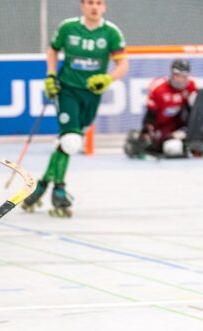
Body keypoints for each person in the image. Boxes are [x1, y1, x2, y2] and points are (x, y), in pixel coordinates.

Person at [23, 0, 128, 217]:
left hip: (92, 94)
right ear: (82, 6)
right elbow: (53, 50)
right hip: (67, 90)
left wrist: (108, 79)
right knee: (70, 140)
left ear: (104, 7)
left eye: (98, 3)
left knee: (68, 142)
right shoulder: (68, 27)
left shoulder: (111, 32)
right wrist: (51, 74)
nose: (94, 7)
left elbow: (123, 64)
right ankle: (59, 191)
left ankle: (41, 186)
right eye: (90, 2)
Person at [124, 59, 200, 158]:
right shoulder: (158, 88)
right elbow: (150, 114)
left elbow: (193, 112)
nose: (181, 80)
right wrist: (147, 132)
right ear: (172, 74)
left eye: (184, 76)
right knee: (148, 144)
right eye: (178, 76)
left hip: (177, 125)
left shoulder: (191, 86)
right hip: (160, 127)